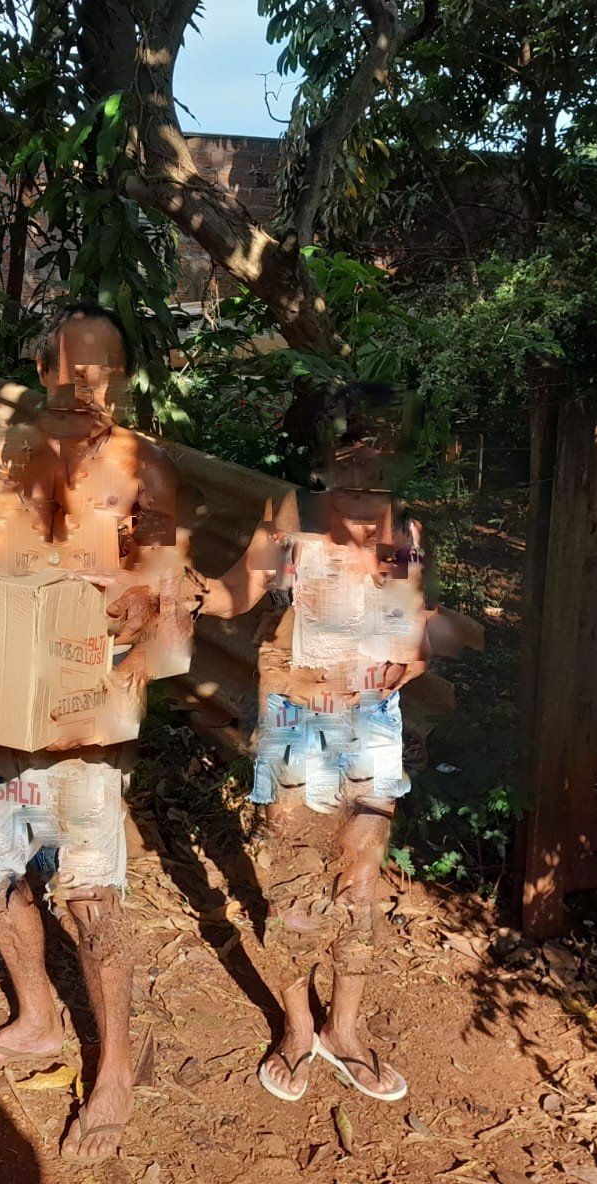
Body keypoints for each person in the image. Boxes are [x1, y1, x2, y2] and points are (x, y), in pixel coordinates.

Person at [0, 303, 198, 1163]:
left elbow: (170, 603)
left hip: (85, 720)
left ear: (122, 377)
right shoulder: (2, 456)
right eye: (67, 367)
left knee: (91, 898)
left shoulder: (144, 469)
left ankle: (115, 1065)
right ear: (40, 369)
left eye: (103, 368)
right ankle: (39, 1017)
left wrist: (134, 632)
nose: (84, 384)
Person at [199, 384, 481, 1107]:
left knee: (360, 878)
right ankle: (297, 1028)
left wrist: (399, 664)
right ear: (323, 453)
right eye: (347, 444)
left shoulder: (406, 534)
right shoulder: (292, 517)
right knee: (293, 880)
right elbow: (238, 591)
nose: (361, 459)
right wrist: (179, 588)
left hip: (372, 723)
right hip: (294, 715)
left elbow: (417, 641)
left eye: (377, 443)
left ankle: (343, 1031)